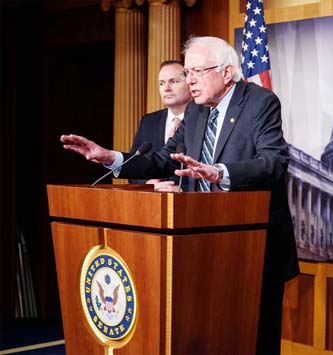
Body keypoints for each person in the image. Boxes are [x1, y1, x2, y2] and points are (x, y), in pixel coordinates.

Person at [61, 36, 299, 355]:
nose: (190, 81)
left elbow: (274, 163)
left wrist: (219, 172)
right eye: (187, 73)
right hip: (200, 244)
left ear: (227, 72)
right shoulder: (197, 113)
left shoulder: (259, 102)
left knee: (252, 338)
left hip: (254, 246)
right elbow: (164, 158)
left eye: (197, 72)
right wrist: (113, 158)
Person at [129, 60, 192, 190]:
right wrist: (148, 184)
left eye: (174, 81)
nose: (166, 88)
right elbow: (132, 166)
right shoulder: (148, 122)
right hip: (153, 201)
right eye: (161, 83)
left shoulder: (204, 120)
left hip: (190, 200)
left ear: (190, 83)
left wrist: (183, 189)